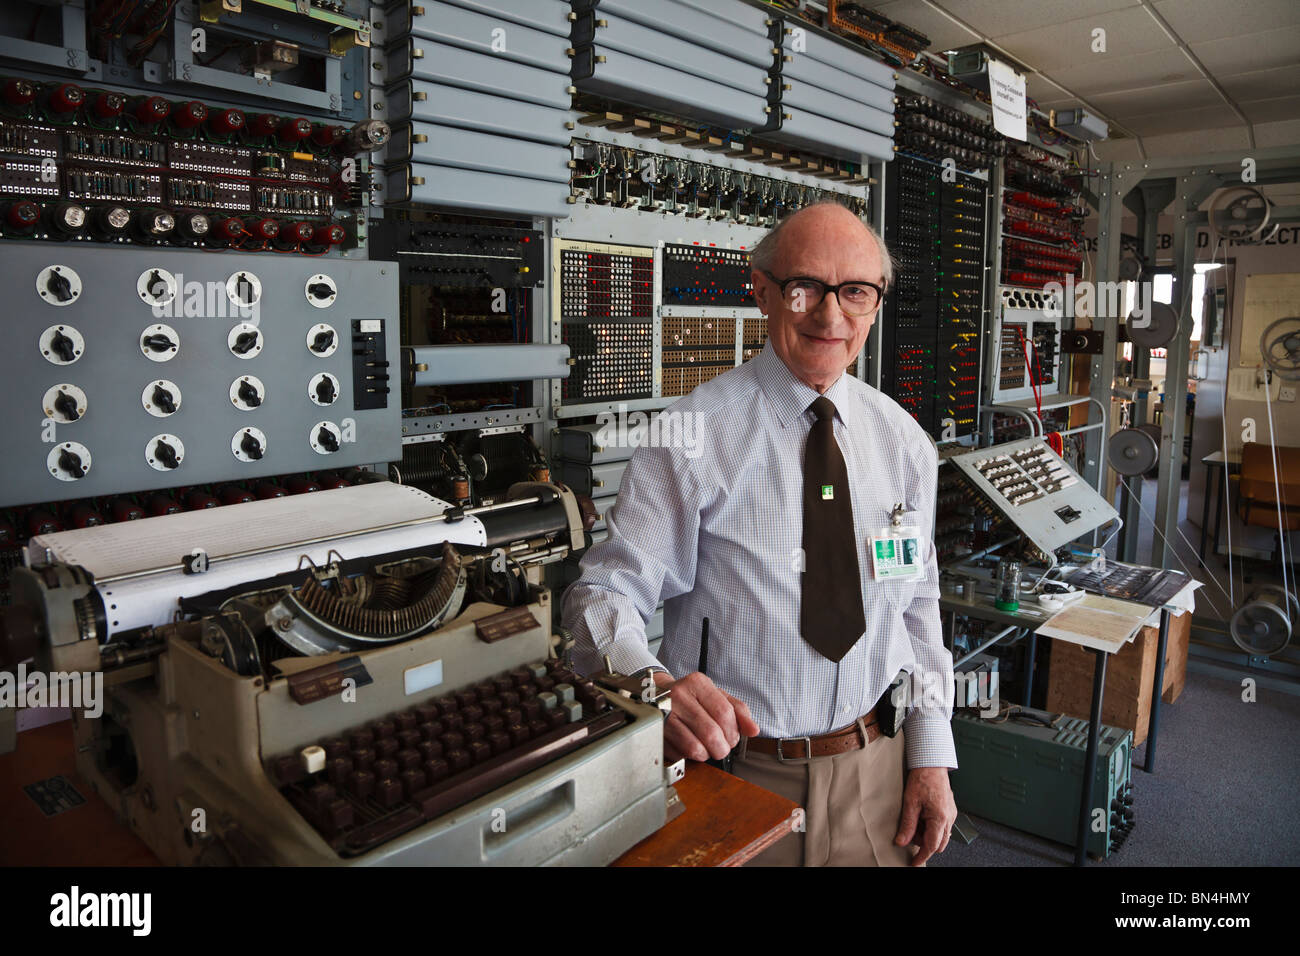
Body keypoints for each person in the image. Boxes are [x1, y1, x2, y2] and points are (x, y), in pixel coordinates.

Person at [562, 201, 957, 866]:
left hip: (876, 776)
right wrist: (654, 686)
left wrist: (931, 756)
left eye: (855, 292)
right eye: (806, 288)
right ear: (763, 291)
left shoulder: (904, 443)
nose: (830, 317)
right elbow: (601, 598)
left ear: (876, 303)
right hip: (736, 776)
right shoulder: (692, 437)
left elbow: (917, 612)